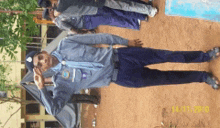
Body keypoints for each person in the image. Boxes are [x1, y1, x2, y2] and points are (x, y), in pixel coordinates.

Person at [26, 33, 220, 116]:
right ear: (41, 71)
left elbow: (99, 38)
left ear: (44, 51)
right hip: (122, 78)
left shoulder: (65, 44)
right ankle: (203, 77)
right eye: (39, 65)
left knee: (167, 55)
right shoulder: (62, 85)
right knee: (165, 78)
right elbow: (54, 110)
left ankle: (205, 56)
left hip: (124, 55)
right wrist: (42, 88)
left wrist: (126, 42)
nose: (44, 61)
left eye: (40, 57)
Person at [42, 4, 148, 31]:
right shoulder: (59, 22)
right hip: (86, 22)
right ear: (49, 16)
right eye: (49, 11)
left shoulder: (59, 11)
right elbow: (72, 30)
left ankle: (135, 18)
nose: (51, 10)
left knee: (110, 13)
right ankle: (134, 23)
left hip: (86, 13)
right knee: (110, 19)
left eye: (50, 9)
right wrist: (85, 32)